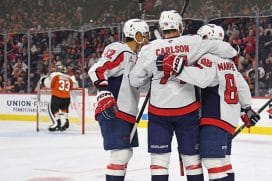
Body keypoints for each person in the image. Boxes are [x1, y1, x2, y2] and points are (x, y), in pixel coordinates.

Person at [129, 10, 238, 181]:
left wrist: (151, 76)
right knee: (192, 161)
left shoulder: (149, 49)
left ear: (161, 27)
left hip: (159, 111)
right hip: (187, 110)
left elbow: (135, 80)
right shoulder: (193, 42)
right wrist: (234, 51)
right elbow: (225, 49)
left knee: (159, 162)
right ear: (180, 26)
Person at [156, 24, 260, 181]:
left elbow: (203, 79)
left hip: (214, 117)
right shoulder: (229, 62)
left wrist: (178, 69)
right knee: (224, 161)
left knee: (212, 162)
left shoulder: (208, 58)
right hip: (228, 120)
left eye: (201, 39)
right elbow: (242, 87)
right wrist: (246, 108)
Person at [88, 19, 149, 181]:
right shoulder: (120, 50)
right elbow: (98, 69)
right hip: (116, 111)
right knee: (121, 154)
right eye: (142, 34)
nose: (145, 38)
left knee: (125, 154)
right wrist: (103, 90)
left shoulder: (136, 57)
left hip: (127, 113)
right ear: (134, 35)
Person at [41, 63, 74, 131]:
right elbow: (71, 87)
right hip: (67, 97)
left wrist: (43, 80)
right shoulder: (69, 78)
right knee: (64, 110)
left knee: (53, 109)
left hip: (57, 96)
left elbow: (50, 85)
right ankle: (65, 122)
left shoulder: (56, 75)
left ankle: (57, 123)